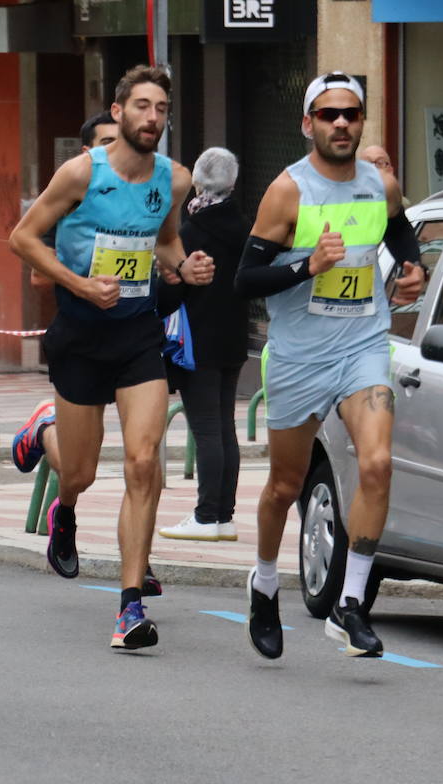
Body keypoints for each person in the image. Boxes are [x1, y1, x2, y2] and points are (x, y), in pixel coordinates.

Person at [8, 65, 215, 651]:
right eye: (142, 106)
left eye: (162, 109)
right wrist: (77, 284)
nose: (153, 117)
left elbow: (166, 239)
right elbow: (23, 237)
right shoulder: (80, 174)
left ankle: (130, 607)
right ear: (119, 111)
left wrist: (186, 267)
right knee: (80, 471)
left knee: (144, 461)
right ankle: (51, 454)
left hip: (136, 337)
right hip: (79, 336)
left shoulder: (173, 180)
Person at [234, 71, 426, 660]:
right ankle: (265, 582)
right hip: (297, 356)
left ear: (361, 121)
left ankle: (349, 604)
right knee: (284, 486)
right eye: (328, 115)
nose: (340, 123)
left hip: (363, 346)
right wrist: (307, 266)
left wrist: (412, 267)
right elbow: (245, 280)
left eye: (350, 114)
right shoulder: (288, 191)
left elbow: (399, 232)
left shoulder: (381, 185)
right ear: (308, 124)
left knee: (377, 463)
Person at [157, 147, 251, 542]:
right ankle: (223, 515)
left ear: (197, 180)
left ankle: (206, 515)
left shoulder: (190, 233)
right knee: (225, 427)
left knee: (207, 430)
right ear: (232, 182)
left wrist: (166, 282)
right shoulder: (245, 226)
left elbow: (172, 296)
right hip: (234, 339)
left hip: (197, 342)